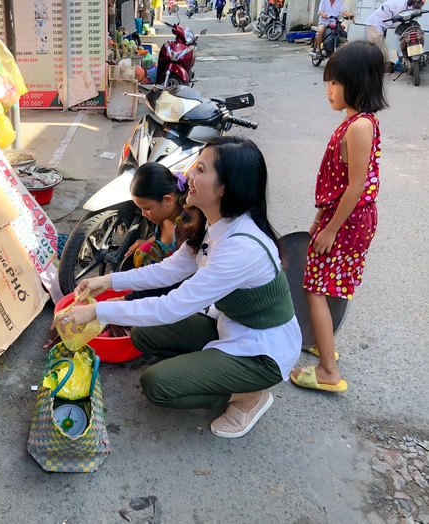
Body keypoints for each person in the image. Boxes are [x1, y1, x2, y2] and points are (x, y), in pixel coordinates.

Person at [52, 137, 302, 439]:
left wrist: (97, 310)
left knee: (158, 385)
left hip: (262, 351)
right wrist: (107, 281)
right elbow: (170, 269)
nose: (188, 176)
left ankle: (248, 396)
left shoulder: (241, 248)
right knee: (142, 333)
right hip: (229, 325)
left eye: (200, 169)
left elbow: (171, 306)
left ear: (224, 188)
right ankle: (210, 369)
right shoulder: (215, 223)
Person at [290, 41, 387, 393]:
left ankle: (328, 369)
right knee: (330, 283)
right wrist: (320, 220)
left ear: (358, 84)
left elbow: (356, 187)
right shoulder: (353, 121)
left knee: (316, 288)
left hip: (347, 222)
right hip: (340, 217)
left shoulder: (359, 126)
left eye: (335, 82)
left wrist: (330, 229)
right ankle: (324, 341)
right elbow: (340, 181)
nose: (328, 89)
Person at [123, 163, 206, 300]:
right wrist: (149, 241)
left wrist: (125, 301)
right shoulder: (163, 215)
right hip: (165, 272)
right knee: (143, 251)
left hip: (180, 283)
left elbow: (178, 269)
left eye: (147, 208)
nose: (144, 214)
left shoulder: (188, 225)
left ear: (167, 200)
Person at [364, 0, 426, 66]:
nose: (421, 4)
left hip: (384, 26)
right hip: (375, 24)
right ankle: (375, 70)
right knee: (377, 50)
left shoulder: (411, 5)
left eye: (422, 2)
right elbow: (399, 23)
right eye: (420, 3)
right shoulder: (401, 5)